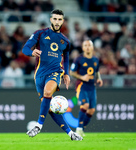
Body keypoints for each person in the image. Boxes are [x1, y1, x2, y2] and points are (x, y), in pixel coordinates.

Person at [22, 9, 83, 141]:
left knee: (48, 92)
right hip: (39, 75)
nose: (57, 22)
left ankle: (38, 125)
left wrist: (66, 74)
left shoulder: (65, 41)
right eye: (55, 19)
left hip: (55, 72)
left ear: (62, 21)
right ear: (51, 20)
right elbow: (25, 48)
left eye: (59, 19)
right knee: (49, 107)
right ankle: (70, 133)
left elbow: (66, 58)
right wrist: (31, 53)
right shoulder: (40, 34)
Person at [70, 40, 103, 137]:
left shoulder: (96, 59)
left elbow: (96, 71)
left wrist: (99, 79)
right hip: (82, 85)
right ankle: (79, 129)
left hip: (92, 86)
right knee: (85, 105)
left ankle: (81, 129)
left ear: (92, 47)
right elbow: (72, 72)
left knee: (91, 110)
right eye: (85, 45)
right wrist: (82, 77)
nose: (88, 47)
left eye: (89, 45)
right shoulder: (79, 59)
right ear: (83, 48)